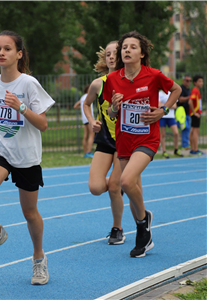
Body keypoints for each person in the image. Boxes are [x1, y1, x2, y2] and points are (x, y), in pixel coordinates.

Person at [0, 30, 55, 285]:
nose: (1, 53)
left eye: (7, 49)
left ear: (19, 54)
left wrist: (20, 107)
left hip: (26, 156)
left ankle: (39, 259)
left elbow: (43, 124)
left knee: (30, 212)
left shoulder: (29, 84)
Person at [103, 31, 181, 258]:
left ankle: (141, 223)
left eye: (132, 47)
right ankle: (143, 226)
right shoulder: (113, 79)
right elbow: (110, 110)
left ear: (142, 53)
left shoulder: (154, 75)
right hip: (125, 139)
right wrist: (115, 108)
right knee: (133, 185)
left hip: (147, 138)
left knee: (125, 182)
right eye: (124, 47)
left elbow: (176, 89)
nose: (126, 50)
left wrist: (164, 110)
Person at [83, 41, 126, 245]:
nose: (110, 57)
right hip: (105, 141)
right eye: (107, 53)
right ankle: (126, 183)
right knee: (96, 187)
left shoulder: (131, 83)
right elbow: (86, 103)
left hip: (126, 143)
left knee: (114, 187)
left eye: (115, 53)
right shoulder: (98, 84)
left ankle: (117, 228)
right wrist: (92, 121)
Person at [158, 90, 183, 158]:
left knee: (176, 133)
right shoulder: (159, 94)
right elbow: (159, 105)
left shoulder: (172, 93)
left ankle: (176, 150)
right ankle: (164, 151)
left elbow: (175, 106)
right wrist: (169, 105)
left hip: (171, 116)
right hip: (162, 116)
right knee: (162, 134)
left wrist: (164, 106)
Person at [74, 84, 94, 158]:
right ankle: (89, 152)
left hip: (84, 118)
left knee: (85, 135)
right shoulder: (88, 96)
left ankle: (86, 152)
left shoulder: (82, 97)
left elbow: (75, 106)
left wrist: (82, 107)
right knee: (92, 135)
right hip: (89, 118)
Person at [189, 75, 205, 155]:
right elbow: (190, 101)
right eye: (199, 81)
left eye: (202, 81)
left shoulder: (196, 90)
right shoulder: (195, 90)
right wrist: (195, 113)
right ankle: (195, 149)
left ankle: (193, 149)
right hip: (195, 114)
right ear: (195, 82)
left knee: (192, 131)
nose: (201, 83)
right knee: (196, 131)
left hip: (195, 113)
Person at [177, 75, 192, 149]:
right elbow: (180, 99)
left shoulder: (189, 89)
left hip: (188, 112)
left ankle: (185, 144)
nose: (189, 82)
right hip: (181, 113)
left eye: (190, 81)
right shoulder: (181, 89)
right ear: (183, 80)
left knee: (187, 129)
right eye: (187, 80)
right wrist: (190, 97)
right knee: (185, 128)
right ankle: (185, 145)